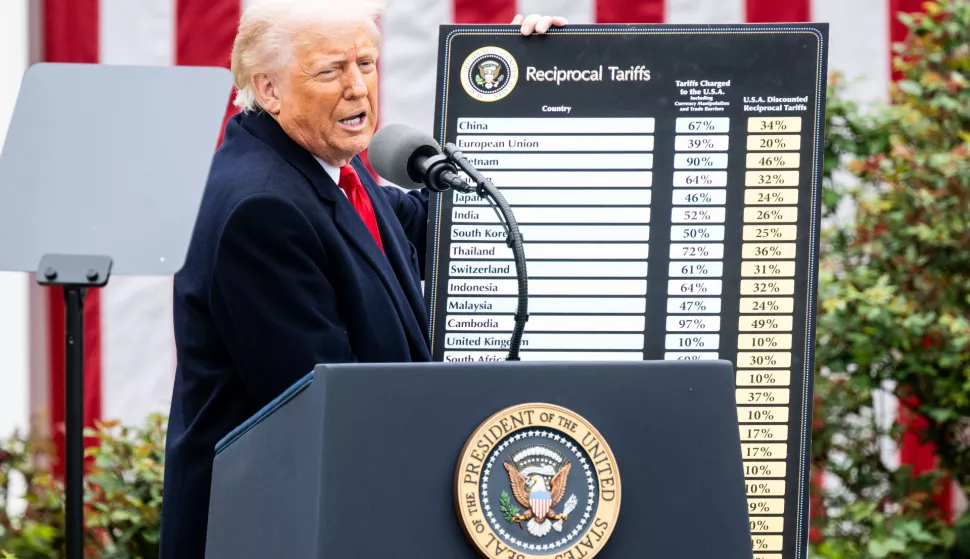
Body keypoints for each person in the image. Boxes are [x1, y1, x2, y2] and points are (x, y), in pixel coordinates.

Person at [159, 1, 567, 556]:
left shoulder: (324, 167)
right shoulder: (262, 208)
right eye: (330, 70)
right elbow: (334, 410)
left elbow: (440, 230)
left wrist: (538, 83)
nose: (358, 88)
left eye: (367, 63)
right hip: (277, 531)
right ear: (269, 89)